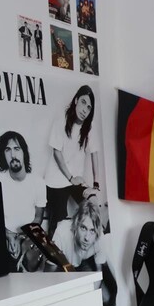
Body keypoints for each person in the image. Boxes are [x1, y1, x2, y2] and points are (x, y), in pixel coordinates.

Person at [43, 86, 99, 236]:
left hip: (75, 180)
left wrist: (96, 184)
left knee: (93, 204)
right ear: (76, 101)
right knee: (58, 224)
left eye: (89, 107)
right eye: (83, 102)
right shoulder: (62, 119)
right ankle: (55, 247)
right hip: (56, 180)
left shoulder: (88, 127)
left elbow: (94, 153)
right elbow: (56, 152)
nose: (85, 110)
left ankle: (86, 242)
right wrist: (70, 177)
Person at [0, 131, 46, 269]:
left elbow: (38, 217)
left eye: (17, 149)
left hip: (28, 235)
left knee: (32, 262)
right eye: (8, 150)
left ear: (24, 152)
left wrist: (22, 239)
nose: (13, 155)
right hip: (4, 234)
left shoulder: (38, 182)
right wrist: (8, 235)